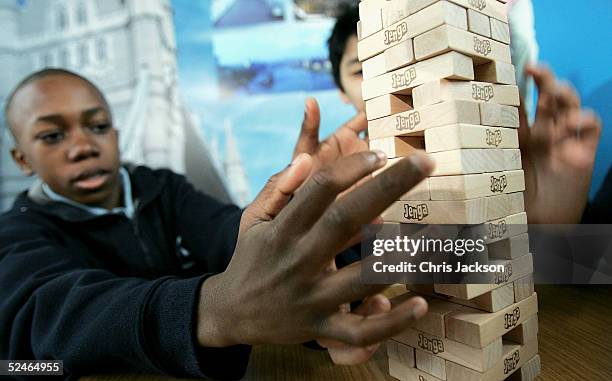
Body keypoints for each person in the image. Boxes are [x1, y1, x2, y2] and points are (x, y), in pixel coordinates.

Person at [0, 69, 434, 379]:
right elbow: (50, 323)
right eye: (52, 136)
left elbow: (230, 237)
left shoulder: (161, 190)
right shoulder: (16, 232)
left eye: (97, 127)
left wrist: (291, 228)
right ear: (22, 159)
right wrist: (215, 309)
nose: (82, 147)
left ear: (115, 134)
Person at [327, 4, 602, 225]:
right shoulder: (335, 193)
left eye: (412, 59)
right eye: (362, 71)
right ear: (340, 90)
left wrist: (547, 233)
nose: (394, 80)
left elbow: (580, 273)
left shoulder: (497, 163)